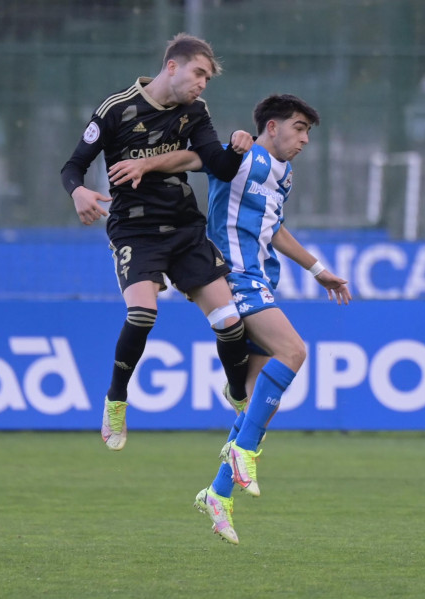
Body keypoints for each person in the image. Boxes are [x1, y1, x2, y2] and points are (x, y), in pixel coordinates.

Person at [113, 94, 351, 544]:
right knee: (295, 351)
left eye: (307, 132)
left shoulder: (284, 174)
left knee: (259, 399)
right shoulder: (240, 155)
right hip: (231, 276)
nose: (303, 139)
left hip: (262, 278)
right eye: (298, 128)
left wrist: (319, 271)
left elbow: (274, 227)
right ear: (272, 127)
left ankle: (218, 493)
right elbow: (195, 158)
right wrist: (146, 165)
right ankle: (242, 448)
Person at [60, 33, 255, 451]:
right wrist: (78, 192)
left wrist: (237, 148)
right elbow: (74, 165)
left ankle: (238, 393)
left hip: (184, 226)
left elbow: (217, 166)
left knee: (228, 321)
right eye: (198, 73)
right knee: (143, 312)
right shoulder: (117, 108)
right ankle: (116, 398)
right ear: (172, 66)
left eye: (207, 78)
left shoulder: (195, 111)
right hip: (134, 228)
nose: (202, 84)